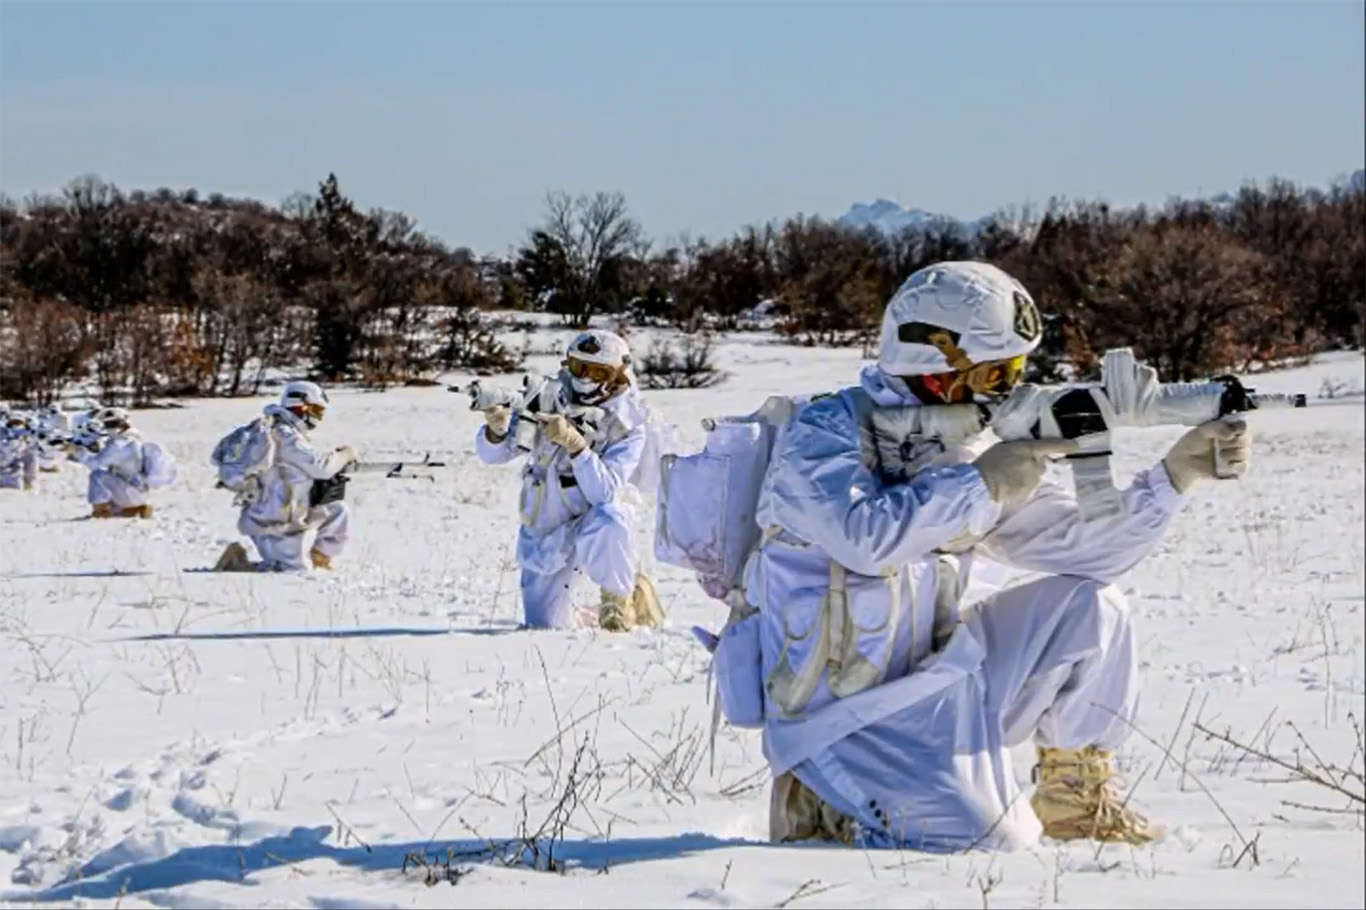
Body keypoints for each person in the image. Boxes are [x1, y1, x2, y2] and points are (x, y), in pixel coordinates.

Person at [717, 261, 1252, 852]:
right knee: (992, 841)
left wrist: (1174, 476)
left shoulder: (968, 445)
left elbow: (1086, 552)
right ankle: (826, 806)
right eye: (995, 371)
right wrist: (980, 485)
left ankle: (1074, 801)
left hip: (936, 684)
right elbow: (864, 538)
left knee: (1091, 608)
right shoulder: (824, 430)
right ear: (935, 363)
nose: (1007, 388)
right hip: (840, 721)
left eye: (1018, 370)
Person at [475, 329, 665, 631]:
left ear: (617, 373)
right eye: (579, 367)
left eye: (597, 371)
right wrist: (495, 432)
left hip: (591, 521)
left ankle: (618, 603)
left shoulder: (628, 426)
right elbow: (492, 455)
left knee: (613, 518)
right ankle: (628, 595)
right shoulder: (547, 396)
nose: (585, 379)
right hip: (547, 529)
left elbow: (605, 492)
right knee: (545, 626)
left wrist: (577, 447)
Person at [213, 381, 356, 573]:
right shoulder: (283, 434)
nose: (318, 418)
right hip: (276, 522)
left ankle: (318, 558)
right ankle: (235, 565)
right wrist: (344, 454)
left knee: (338, 512)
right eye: (316, 410)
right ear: (301, 405)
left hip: (288, 513)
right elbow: (321, 466)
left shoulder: (280, 430)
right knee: (293, 573)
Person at [72, 407, 174, 518]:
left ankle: (100, 512)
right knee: (110, 489)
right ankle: (138, 509)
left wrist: (78, 452)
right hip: (139, 491)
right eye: (107, 425)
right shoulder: (133, 439)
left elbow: (96, 464)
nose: (109, 428)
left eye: (112, 424)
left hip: (131, 492)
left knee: (97, 475)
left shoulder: (118, 444)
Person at [0, 411, 38, 491]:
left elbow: (31, 465)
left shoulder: (27, 445)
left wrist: (28, 482)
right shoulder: (2, 435)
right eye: (13, 423)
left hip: (13, 477)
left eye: (19, 423)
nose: (16, 426)